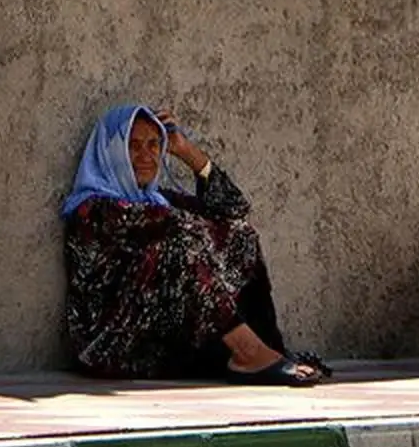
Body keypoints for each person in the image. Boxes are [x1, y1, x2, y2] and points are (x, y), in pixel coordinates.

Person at [60, 104, 331, 386]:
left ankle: (264, 351)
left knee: (241, 235)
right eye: (134, 145)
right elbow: (173, 227)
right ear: (110, 151)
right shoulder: (92, 210)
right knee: (181, 237)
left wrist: (186, 152)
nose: (145, 156)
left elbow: (234, 210)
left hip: (168, 343)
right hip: (115, 348)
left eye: (154, 145)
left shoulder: (156, 201)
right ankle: (248, 352)